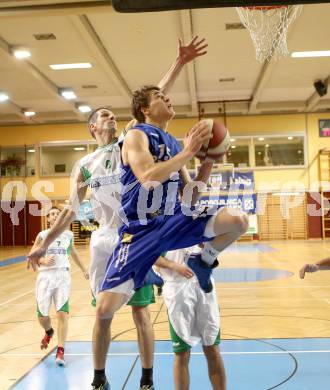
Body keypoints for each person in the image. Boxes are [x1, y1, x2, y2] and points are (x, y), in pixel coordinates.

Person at [27, 36, 208, 390]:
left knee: (141, 312)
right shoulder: (84, 165)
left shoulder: (129, 141)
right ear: (93, 128)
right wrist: (44, 244)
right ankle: (98, 378)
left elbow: (153, 99)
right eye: (103, 117)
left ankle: (146, 378)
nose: (111, 119)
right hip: (103, 239)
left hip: (133, 233)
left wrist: (179, 63)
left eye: (114, 116)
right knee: (102, 313)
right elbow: (69, 211)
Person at [92, 85, 248, 388]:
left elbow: (190, 198)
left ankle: (204, 260)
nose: (167, 99)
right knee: (104, 310)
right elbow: (148, 177)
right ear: (146, 110)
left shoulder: (175, 144)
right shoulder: (137, 135)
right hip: (140, 233)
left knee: (238, 221)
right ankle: (99, 378)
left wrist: (208, 160)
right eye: (160, 98)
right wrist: (189, 152)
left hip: (174, 221)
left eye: (166, 96)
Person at [155, 247, 226, 390]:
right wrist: (175, 266)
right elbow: (151, 256)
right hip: (177, 288)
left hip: (204, 284)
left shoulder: (204, 224)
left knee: (213, 348)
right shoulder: (160, 224)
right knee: (182, 352)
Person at [30, 206, 89, 366]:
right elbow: (32, 256)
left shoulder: (68, 235)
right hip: (45, 276)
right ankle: (49, 331)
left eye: (57, 213)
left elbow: (74, 254)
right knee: (42, 315)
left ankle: (60, 350)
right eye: (52, 214)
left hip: (62, 275)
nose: (55, 216)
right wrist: (42, 260)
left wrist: (84, 269)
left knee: (62, 313)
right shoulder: (42, 236)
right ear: (48, 219)